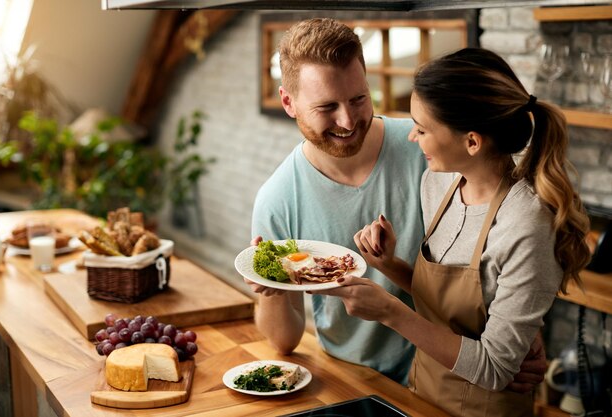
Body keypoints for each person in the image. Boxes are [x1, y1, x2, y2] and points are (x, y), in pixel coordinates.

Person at [247, 17, 546, 392]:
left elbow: (503, 246)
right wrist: (271, 288)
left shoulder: (430, 149)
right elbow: (284, 342)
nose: (347, 120)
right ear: (288, 102)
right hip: (356, 381)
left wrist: (521, 328)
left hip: (456, 380)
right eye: (327, 107)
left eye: (358, 99)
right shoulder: (277, 200)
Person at [336, 47, 591, 416]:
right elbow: (450, 307)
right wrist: (388, 264)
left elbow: (496, 367)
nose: (412, 138)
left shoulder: (526, 224)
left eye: (422, 129)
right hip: (421, 393)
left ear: (472, 142)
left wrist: (391, 313)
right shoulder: (438, 185)